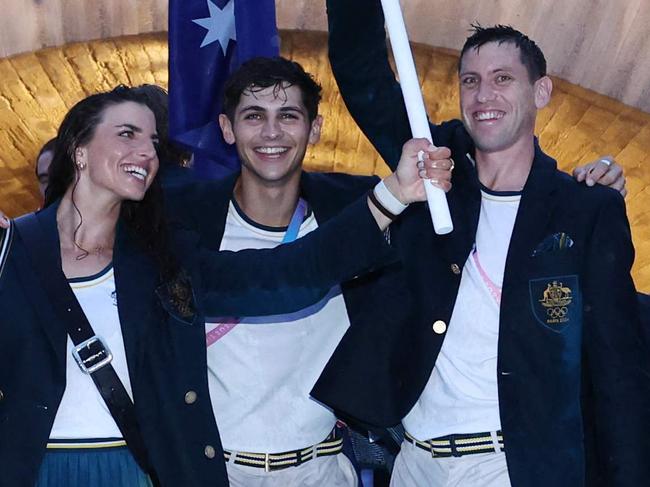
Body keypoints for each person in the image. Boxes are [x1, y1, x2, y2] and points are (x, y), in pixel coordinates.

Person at [0, 85, 438, 487]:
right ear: (79, 149)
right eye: (127, 134)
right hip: (35, 468)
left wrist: (392, 196)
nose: (146, 152)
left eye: (153, 141)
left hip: (141, 469)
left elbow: (283, 275)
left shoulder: (162, 259)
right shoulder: (10, 249)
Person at [315, 2, 650, 485]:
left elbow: (619, 370)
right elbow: (360, 70)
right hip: (413, 462)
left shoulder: (584, 209)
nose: (482, 94)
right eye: (469, 80)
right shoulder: (433, 169)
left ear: (541, 91)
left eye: (502, 79)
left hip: (512, 464)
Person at [163, 56, 451, 487]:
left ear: (315, 129)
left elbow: (478, 204)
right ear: (227, 129)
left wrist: (586, 183)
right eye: (254, 116)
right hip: (214, 471)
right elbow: (285, 276)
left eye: (289, 116)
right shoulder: (186, 219)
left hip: (321, 471)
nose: (272, 132)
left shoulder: (352, 208)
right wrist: (388, 198)